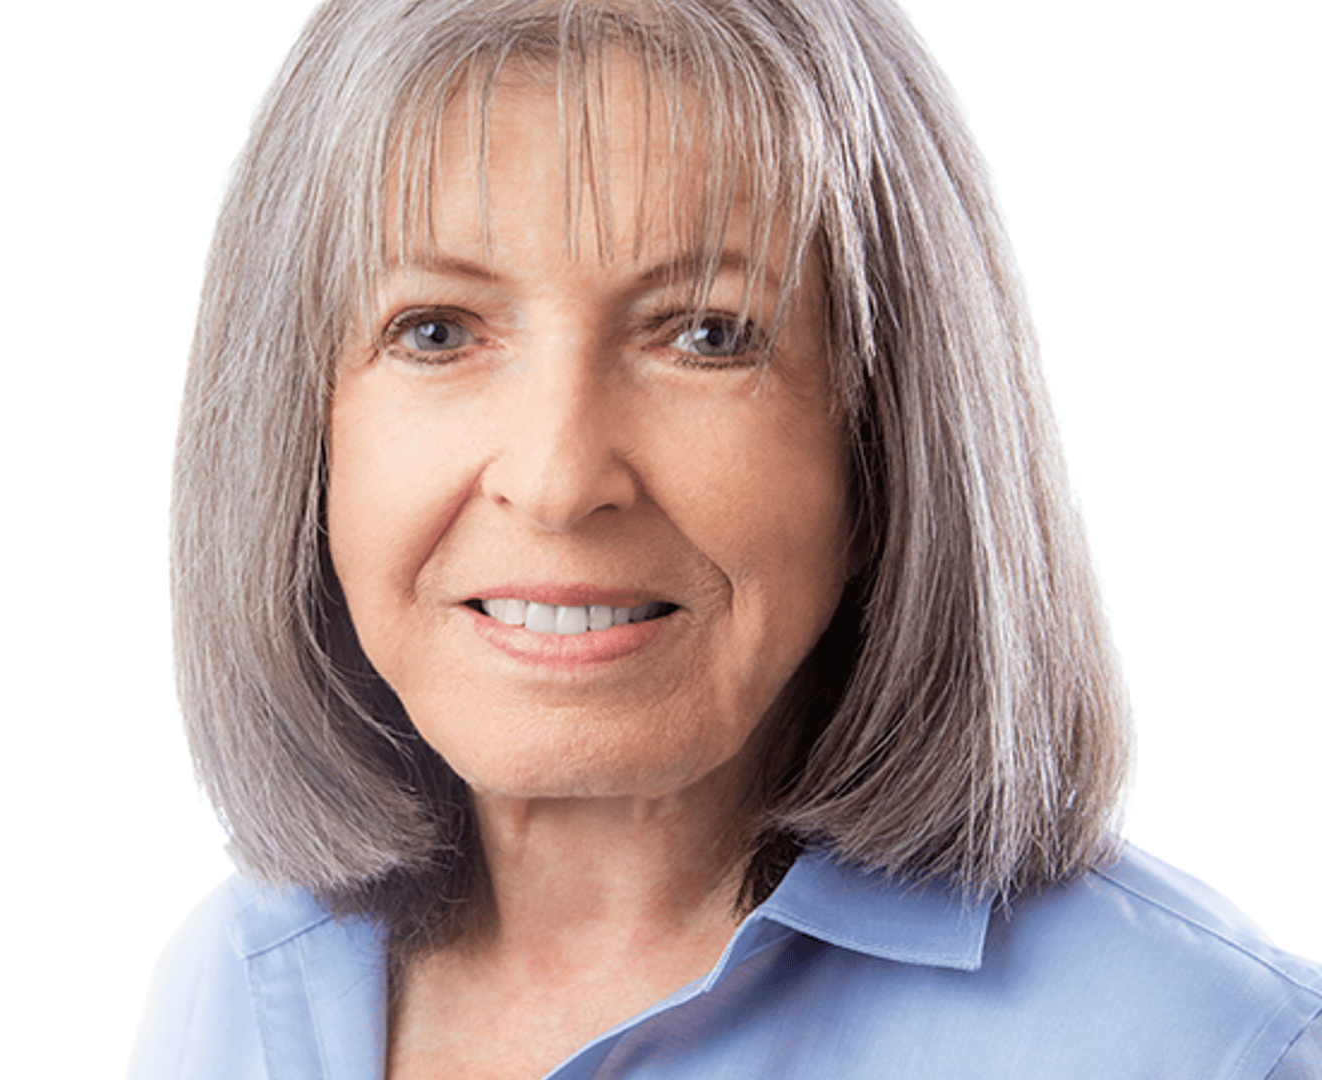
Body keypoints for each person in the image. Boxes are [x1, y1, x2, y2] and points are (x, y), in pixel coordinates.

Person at [130, 1, 1322, 1077]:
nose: (557, 481)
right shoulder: (233, 982)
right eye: (436, 331)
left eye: (706, 334)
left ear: (886, 429)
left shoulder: (1215, 1051)